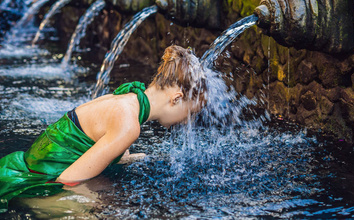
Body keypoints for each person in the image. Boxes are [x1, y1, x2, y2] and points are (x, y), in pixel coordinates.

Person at [0, 45, 207, 213]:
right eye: (190, 112)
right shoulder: (129, 125)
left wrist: (119, 158)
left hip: (25, 165)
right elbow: (69, 181)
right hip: (35, 184)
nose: (188, 121)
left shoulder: (126, 98)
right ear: (177, 98)